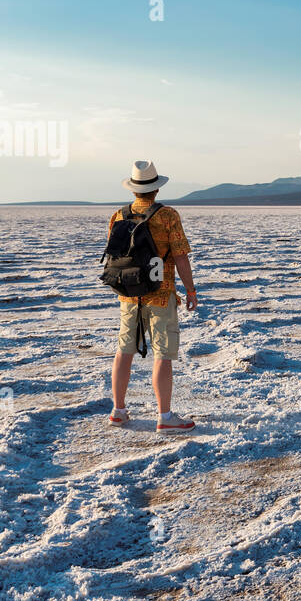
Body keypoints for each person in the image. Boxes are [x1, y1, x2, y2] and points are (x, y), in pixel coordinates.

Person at [107, 160, 198, 432]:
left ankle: (118, 411)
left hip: (128, 293)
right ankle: (165, 416)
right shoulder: (168, 215)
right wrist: (190, 289)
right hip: (160, 294)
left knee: (124, 351)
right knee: (163, 354)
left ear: (134, 189)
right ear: (156, 189)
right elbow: (180, 257)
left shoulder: (119, 215)